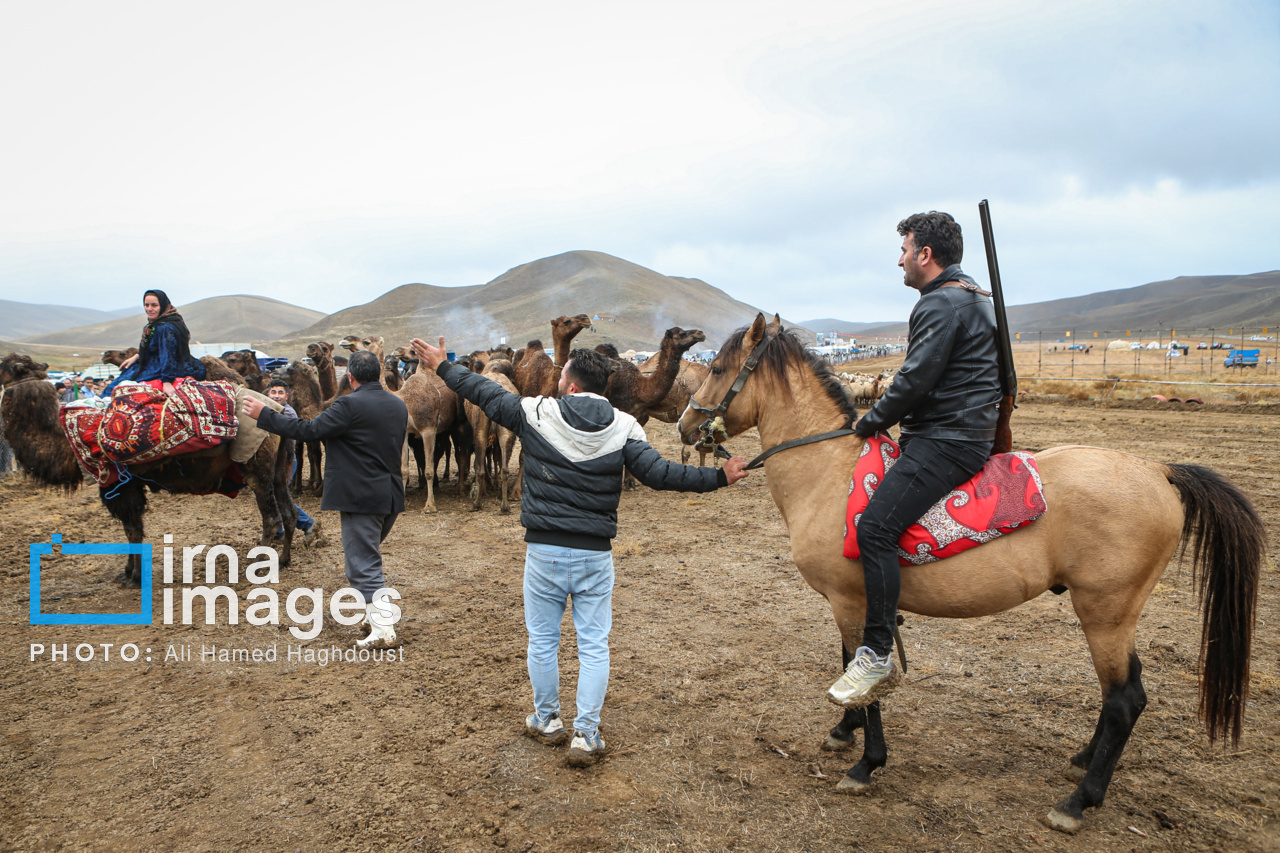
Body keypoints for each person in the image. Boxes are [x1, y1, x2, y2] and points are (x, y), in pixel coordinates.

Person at [410, 336, 750, 766]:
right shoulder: (625, 426)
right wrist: (719, 478)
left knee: (543, 641)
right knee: (593, 646)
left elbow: (484, 392)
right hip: (594, 557)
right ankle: (586, 735)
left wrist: (443, 366)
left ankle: (547, 720)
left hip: (544, 553)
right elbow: (662, 475)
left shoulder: (536, 412)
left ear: (570, 386)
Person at [827, 211, 1001, 709]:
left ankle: (877, 653)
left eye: (904, 249)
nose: (899, 259)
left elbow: (915, 379)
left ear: (926, 255)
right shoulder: (972, 296)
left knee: (874, 528)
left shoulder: (940, 302)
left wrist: (869, 420)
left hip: (946, 441)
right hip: (961, 433)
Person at [242, 351, 407, 648]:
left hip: (361, 497)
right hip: (390, 494)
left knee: (362, 564)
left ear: (351, 377)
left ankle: (384, 628)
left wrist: (264, 414)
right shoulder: (396, 404)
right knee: (365, 558)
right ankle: (375, 617)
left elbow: (308, 430)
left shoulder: (349, 404)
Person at [103, 290, 206, 397]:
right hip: (162, 362)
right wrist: (137, 356)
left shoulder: (164, 328)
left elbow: (167, 354)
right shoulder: (157, 324)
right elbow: (153, 347)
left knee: (114, 388)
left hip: (166, 366)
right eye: (146, 305)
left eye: (154, 305)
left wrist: (166, 381)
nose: (149, 309)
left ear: (163, 305)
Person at [264, 378, 325, 549]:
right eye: (273, 392)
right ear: (268, 393)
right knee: (271, 495)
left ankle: (308, 524)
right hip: (273, 461)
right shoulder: (266, 410)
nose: (276, 396)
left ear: (287, 396)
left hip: (286, 461)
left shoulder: (287, 413)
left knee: (278, 495)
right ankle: (278, 532)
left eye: (280, 393)